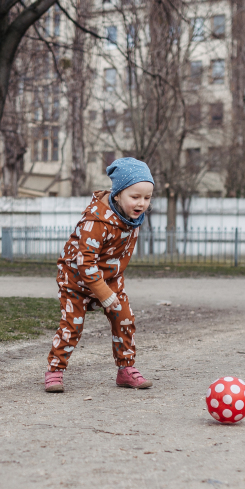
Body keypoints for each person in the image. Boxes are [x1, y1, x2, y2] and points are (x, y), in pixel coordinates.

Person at [45, 157, 154, 393]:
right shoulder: (96, 220)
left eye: (147, 198)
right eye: (135, 197)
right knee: (72, 326)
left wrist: (111, 285)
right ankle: (55, 370)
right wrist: (103, 293)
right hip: (76, 279)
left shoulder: (130, 218)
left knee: (124, 318)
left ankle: (126, 369)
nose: (141, 203)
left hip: (109, 279)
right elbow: (85, 261)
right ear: (117, 195)